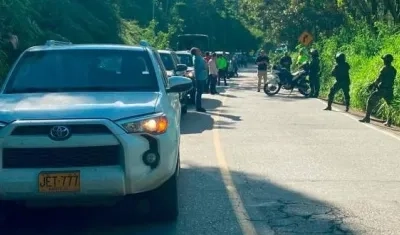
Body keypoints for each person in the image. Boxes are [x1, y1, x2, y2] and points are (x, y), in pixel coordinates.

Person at [359, 54, 397, 126]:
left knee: (370, 101)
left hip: (382, 89)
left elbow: (379, 79)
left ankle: (367, 118)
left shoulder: (384, 69)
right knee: (390, 105)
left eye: (384, 60)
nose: (383, 61)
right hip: (389, 90)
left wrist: (373, 84)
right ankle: (389, 122)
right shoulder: (394, 70)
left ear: (386, 61)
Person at [191, 47, 207, 112]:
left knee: (200, 92)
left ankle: (199, 106)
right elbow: (196, 69)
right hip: (199, 77)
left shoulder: (199, 57)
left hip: (202, 76)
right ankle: (198, 107)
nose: (199, 50)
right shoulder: (196, 59)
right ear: (195, 52)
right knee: (199, 92)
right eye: (198, 50)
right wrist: (196, 78)